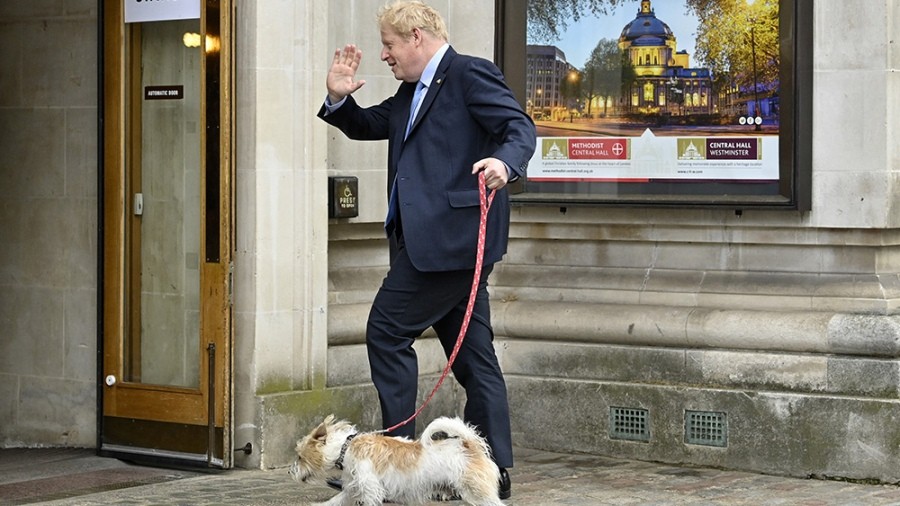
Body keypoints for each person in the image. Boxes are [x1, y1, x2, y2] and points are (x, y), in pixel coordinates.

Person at [317, 0, 535, 499]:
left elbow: (518, 128)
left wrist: (505, 164)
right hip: (430, 246)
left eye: (390, 45)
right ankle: (491, 474)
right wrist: (337, 98)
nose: (385, 56)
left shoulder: (469, 74)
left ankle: (396, 465)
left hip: (451, 245)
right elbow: (369, 124)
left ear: (416, 36)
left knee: (386, 329)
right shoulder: (411, 90)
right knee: (477, 363)